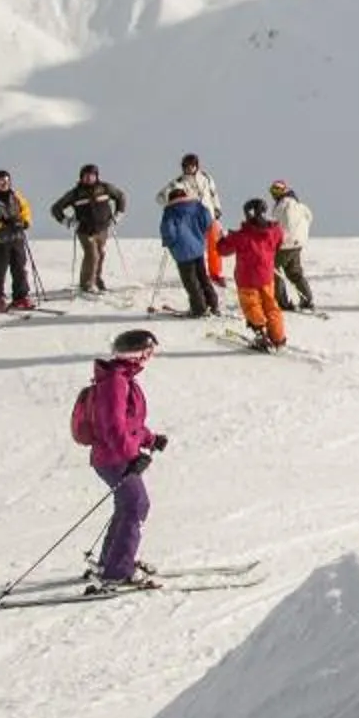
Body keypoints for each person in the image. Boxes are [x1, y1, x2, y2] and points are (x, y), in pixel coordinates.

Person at [77, 328, 168, 592]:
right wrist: (132, 456)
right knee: (136, 504)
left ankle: (112, 561)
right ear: (138, 354)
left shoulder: (120, 378)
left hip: (114, 455)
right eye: (148, 353)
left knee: (128, 504)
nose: (149, 358)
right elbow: (113, 427)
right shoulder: (116, 382)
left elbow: (129, 423)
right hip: (113, 457)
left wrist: (150, 439)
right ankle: (118, 571)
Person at [51, 164, 126, 295]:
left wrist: (118, 215)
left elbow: (121, 197)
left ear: (96, 176)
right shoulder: (75, 194)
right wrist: (67, 221)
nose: (89, 178)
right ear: (81, 177)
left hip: (103, 228)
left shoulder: (105, 188)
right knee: (92, 255)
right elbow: (56, 208)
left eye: (92, 175)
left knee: (100, 254)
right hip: (85, 230)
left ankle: (96, 279)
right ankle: (87, 284)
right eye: (86, 175)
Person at [224, 197, 288, 349]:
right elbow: (279, 241)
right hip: (267, 276)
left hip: (247, 279)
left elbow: (223, 249)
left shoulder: (243, 235)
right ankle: (278, 337)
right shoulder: (274, 230)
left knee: (252, 306)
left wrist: (224, 237)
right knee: (271, 305)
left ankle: (261, 334)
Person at [157, 154, 224, 286]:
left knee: (215, 246)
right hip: (192, 219)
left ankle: (216, 274)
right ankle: (200, 275)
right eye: (186, 166)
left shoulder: (207, 178)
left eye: (191, 166)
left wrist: (217, 208)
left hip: (209, 216)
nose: (189, 168)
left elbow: (213, 194)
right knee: (196, 248)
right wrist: (173, 204)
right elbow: (160, 197)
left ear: (196, 166)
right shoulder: (178, 182)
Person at [0, 169, 36, 311]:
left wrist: (25, 222)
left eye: (6, 181)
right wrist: (0, 224)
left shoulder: (16, 196)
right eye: (0, 181)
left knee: (20, 269)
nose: (4, 184)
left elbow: (25, 210)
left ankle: (21, 297)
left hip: (17, 239)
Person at [159, 183, 218, 318]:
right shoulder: (197, 206)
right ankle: (212, 304)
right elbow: (208, 221)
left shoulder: (170, 212)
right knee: (203, 277)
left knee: (191, 281)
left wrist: (168, 242)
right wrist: (199, 233)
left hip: (182, 251)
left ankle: (199, 308)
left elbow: (168, 230)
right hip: (198, 247)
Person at [265, 180, 316, 312]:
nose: (273, 193)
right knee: (294, 272)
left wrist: (280, 237)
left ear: (284, 190)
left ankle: (282, 302)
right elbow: (309, 217)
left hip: (285, 244)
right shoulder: (298, 204)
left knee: (274, 270)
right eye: (272, 191)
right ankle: (307, 299)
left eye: (276, 190)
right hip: (296, 243)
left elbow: (286, 224)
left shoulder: (286, 204)